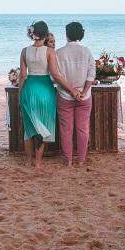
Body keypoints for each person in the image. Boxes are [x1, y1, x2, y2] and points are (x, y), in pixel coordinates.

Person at [19, 21, 81, 170]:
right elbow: (55, 75)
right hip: (45, 90)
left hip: (29, 89)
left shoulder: (24, 51)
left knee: (29, 128)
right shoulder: (49, 51)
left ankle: (28, 161)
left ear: (32, 34)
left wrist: (21, 94)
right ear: (46, 35)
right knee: (43, 125)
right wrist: (72, 90)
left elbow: (22, 75)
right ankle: (38, 163)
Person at [56, 22, 96, 167]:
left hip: (65, 95)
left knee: (66, 129)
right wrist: (83, 92)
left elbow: (57, 76)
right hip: (84, 97)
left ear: (66, 34)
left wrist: (71, 92)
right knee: (83, 128)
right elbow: (92, 74)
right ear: (81, 34)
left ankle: (68, 160)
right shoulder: (86, 51)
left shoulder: (59, 53)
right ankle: (81, 159)